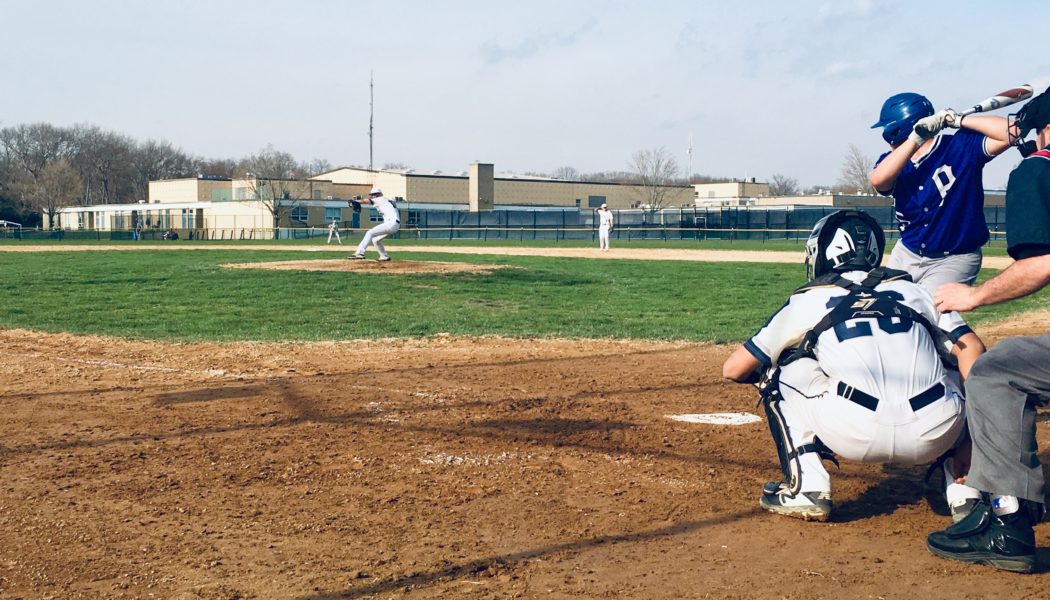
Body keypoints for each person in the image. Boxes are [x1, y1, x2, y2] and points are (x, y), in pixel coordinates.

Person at [722, 209, 985, 522]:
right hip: (937, 428)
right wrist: (974, 437)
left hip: (853, 432)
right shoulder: (917, 291)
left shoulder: (809, 298)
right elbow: (974, 349)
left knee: (779, 371)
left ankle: (808, 488)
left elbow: (735, 368)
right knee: (958, 365)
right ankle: (964, 486)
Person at [925, 87, 1050, 573]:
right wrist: (957, 119)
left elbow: (1040, 265)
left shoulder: (1039, 169)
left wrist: (971, 295)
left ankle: (1008, 518)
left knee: (996, 371)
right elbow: (1014, 132)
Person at [869, 92, 1012, 292]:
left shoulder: (960, 146)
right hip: (907, 252)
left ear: (895, 128)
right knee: (886, 307)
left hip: (956, 257)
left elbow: (1012, 132)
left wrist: (959, 120)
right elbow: (878, 180)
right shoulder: (892, 161)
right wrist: (916, 139)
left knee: (928, 308)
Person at [348, 187, 399, 261]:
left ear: (378, 194)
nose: (372, 196)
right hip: (395, 225)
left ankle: (359, 253)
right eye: (372, 195)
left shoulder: (380, 199)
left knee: (370, 233)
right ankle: (384, 256)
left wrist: (354, 201)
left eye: (373, 195)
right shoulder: (387, 200)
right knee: (376, 240)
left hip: (391, 223)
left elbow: (365, 201)